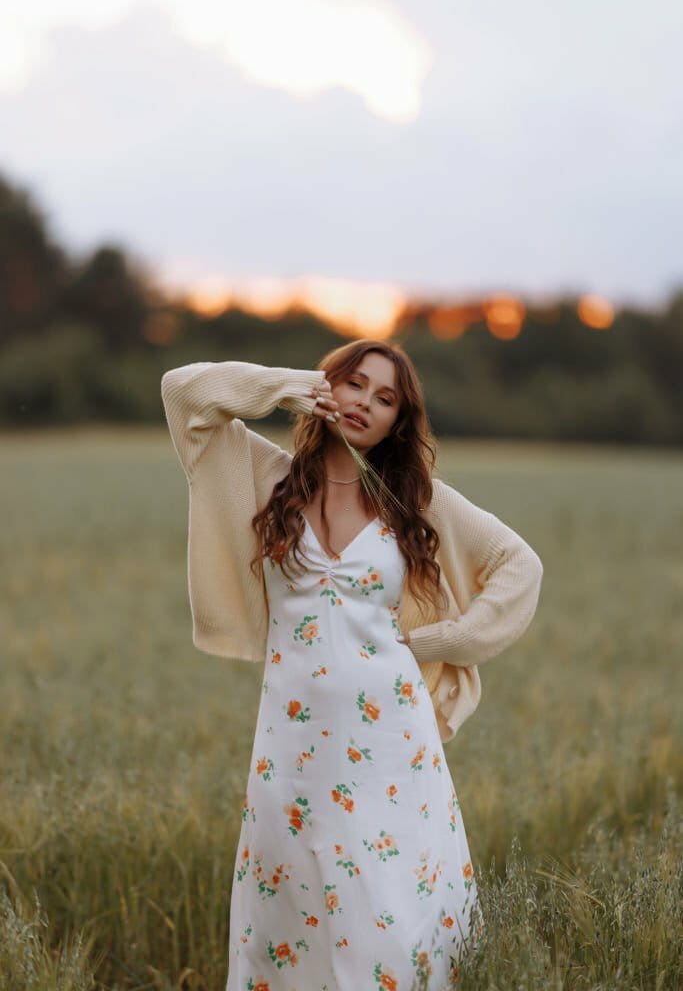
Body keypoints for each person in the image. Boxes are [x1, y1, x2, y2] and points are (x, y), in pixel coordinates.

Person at [160, 338, 543, 990]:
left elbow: (518, 566)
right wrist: (285, 385)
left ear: (400, 420)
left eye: (385, 397)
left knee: (383, 908)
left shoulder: (414, 501)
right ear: (327, 386)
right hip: (292, 739)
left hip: (391, 742)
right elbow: (183, 391)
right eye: (354, 384)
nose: (365, 402)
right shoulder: (264, 475)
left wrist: (439, 641)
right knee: (287, 903)